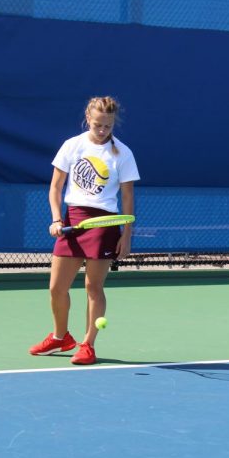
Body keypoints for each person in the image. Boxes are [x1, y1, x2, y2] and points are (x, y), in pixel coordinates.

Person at [28, 96, 140, 365]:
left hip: (104, 223)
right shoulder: (72, 145)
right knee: (56, 288)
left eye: (108, 126)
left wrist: (127, 233)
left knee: (93, 286)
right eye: (98, 125)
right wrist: (56, 219)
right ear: (88, 119)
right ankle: (60, 337)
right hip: (73, 219)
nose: (102, 131)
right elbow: (55, 187)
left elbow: (127, 198)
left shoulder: (122, 153)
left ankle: (87, 344)